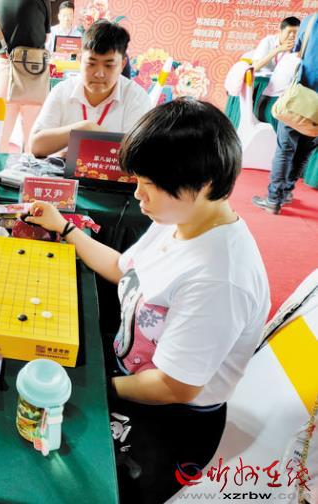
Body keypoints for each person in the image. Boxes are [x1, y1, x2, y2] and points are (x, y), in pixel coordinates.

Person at [26, 99, 270, 503]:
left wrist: (95, 390)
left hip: (168, 418)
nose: (137, 193)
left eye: (149, 183)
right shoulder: (180, 219)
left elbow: (175, 386)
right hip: (130, 374)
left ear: (203, 183)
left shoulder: (220, 278)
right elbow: (124, 269)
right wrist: (65, 228)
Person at [29, 21, 149, 157]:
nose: (99, 74)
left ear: (122, 64)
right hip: (61, 170)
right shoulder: (62, 91)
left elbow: (137, 155)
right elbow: (36, 146)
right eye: (91, 63)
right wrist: (84, 128)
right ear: (80, 59)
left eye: (109, 65)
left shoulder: (136, 97)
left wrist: (81, 153)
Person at [253, 13, 318, 214]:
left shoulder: (311, 21)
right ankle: (287, 192)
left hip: (302, 96)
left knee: (286, 148)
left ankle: (274, 199)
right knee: (305, 148)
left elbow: (298, 52)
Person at [0, 0, 51, 152]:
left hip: (4, 68)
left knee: (1, 132)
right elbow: (46, 37)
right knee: (32, 133)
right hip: (34, 70)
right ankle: (29, 165)